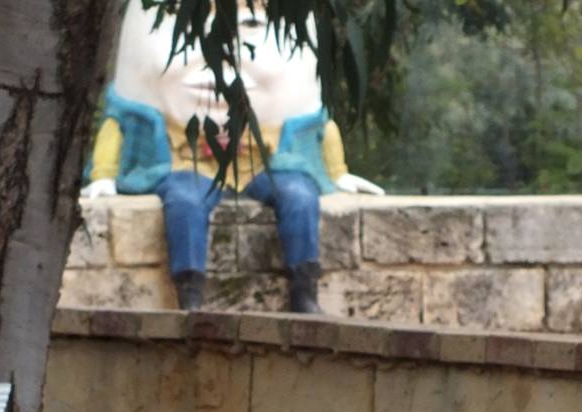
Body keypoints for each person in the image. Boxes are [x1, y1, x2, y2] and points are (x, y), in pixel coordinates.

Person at [81, 0, 383, 313]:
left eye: (251, 25)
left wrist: (338, 173)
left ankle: (304, 289)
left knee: (299, 194)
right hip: (188, 162)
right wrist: (103, 174)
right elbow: (118, 124)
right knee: (184, 201)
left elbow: (320, 123)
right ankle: (190, 293)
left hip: (264, 161)